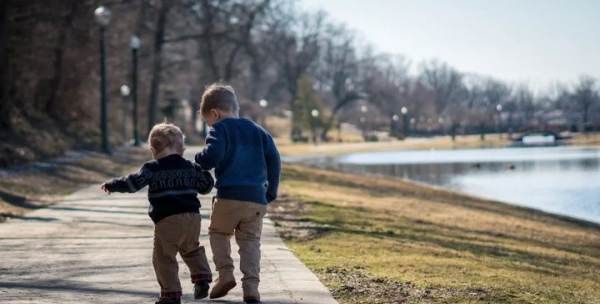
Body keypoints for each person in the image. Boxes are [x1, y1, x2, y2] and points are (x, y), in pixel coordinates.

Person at [101, 123, 214, 304]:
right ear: (181, 148)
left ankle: (171, 295)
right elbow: (206, 187)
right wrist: (204, 172)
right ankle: (202, 277)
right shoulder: (190, 167)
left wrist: (113, 185)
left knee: (164, 257)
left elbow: (133, 183)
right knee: (191, 248)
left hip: (167, 220)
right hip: (192, 218)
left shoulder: (152, 168)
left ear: (153, 149)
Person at [195, 84, 281, 304]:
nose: (209, 126)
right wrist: (270, 191)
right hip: (256, 199)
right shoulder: (259, 131)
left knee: (218, 233)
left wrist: (199, 159)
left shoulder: (219, 129)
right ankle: (251, 289)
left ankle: (225, 274)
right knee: (251, 242)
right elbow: (274, 160)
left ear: (215, 114)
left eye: (208, 122)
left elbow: (212, 156)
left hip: (229, 196)